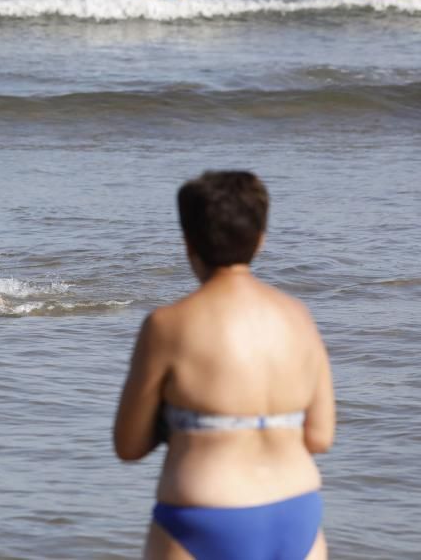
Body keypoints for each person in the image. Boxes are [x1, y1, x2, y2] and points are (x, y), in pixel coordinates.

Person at [114, 171, 335, 560]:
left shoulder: (168, 325)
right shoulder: (299, 317)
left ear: (188, 244)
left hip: (203, 517)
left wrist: (179, 424)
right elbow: (320, 437)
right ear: (261, 238)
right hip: (297, 513)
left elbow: (129, 445)